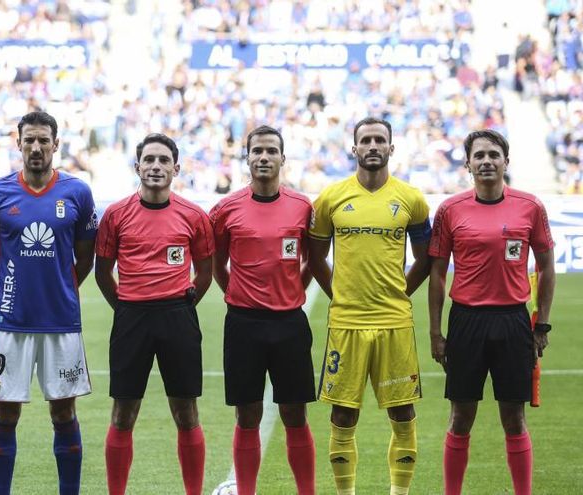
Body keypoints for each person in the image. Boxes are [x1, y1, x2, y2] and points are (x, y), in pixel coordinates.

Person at [307, 117, 432, 495]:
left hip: (394, 322)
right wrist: (341, 296)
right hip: (346, 324)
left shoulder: (412, 199)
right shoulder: (331, 198)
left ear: (391, 148)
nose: (373, 146)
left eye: (380, 140)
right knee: (343, 413)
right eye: (366, 140)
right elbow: (315, 259)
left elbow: (425, 260)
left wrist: (399, 293)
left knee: (403, 413)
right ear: (354, 148)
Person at [0, 111, 97, 495]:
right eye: (29, 140)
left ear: (56, 144)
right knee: (6, 413)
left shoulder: (77, 193)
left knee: (64, 412)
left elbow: (85, 260)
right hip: (11, 325)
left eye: (44, 140)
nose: (36, 147)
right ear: (19, 143)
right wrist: (11, 295)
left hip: (61, 323)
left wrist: (57, 290)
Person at [428, 129, 555, 495]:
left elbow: (546, 266)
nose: (486, 161)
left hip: (514, 321)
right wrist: (436, 333)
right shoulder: (451, 210)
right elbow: (437, 274)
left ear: (506, 162)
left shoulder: (530, 207)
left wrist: (541, 323)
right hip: (466, 320)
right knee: (461, 417)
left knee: (514, 418)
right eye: (479, 155)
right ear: (468, 164)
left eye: (493, 155)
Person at [95, 133, 214, 495]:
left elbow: (206, 272)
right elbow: (103, 272)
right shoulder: (116, 215)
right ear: (138, 167)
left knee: (186, 412)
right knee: (123, 413)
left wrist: (181, 306)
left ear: (176, 168)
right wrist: (126, 307)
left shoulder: (193, 215)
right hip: (132, 317)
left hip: (177, 316)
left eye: (164, 160)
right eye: (150, 160)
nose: (156, 166)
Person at [208, 125, 316, 495]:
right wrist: (237, 293)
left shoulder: (302, 207)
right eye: (258, 151)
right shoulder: (225, 209)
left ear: (283, 158)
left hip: (289, 323)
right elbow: (217, 264)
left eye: (272, 151)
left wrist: (291, 291)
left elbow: (311, 262)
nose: (264, 157)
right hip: (243, 323)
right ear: (248, 158)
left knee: (295, 415)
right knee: (247, 414)